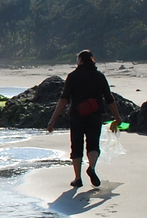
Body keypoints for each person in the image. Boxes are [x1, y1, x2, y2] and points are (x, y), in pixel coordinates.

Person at [46, 49, 124, 188]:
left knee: (76, 146)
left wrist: (53, 119)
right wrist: (117, 116)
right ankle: (92, 168)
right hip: (95, 115)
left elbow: (64, 99)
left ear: (80, 60)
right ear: (92, 60)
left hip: (77, 115)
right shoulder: (99, 76)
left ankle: (77, 178)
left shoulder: (73, 76)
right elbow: (109, 98)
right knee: (93, 144)